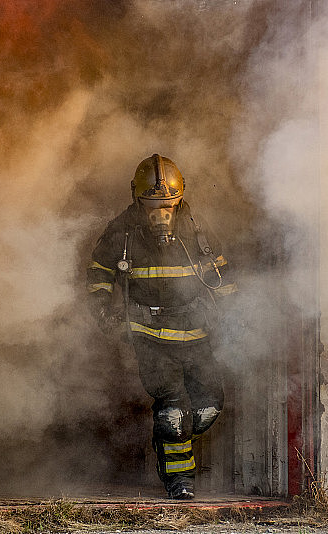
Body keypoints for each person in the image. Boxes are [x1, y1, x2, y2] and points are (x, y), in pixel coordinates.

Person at [87, 154, 237, 499]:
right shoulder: (121, 231)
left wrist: (231, 310)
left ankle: (167, 439)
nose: (161, 215)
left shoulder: (197, 229)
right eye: (153, 206)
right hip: (148, 332)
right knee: (172, 410)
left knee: (210, 404)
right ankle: (179, 482)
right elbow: (99, 271)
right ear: (137, 199)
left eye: (168, 206)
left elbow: (220, 270)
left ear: (180, 199)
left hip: (194, 331)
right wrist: (101, 306)